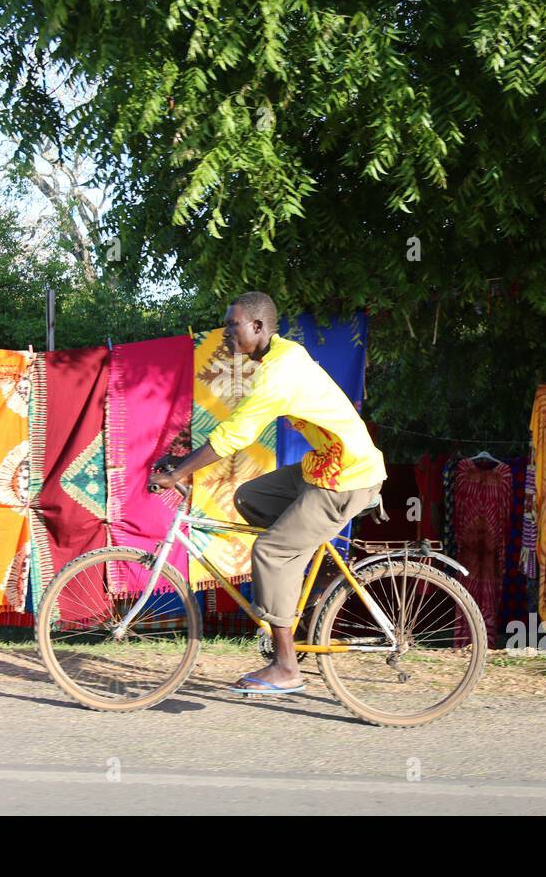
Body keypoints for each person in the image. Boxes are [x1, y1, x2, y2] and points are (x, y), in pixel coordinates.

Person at [149, 292, 386, 695]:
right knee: (250, 498)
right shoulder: (281, 355)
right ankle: (301, 575)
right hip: (325, 466)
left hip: (346, 476)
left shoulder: (278, 373)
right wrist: (185, 464)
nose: (225, 333)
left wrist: (180, 472)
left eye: (232, 325)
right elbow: (240, 424)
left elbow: (235, 434)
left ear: (258, 327)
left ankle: (286, 665)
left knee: (270, 552)